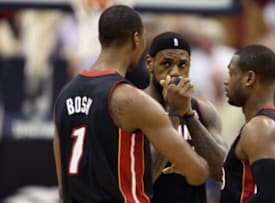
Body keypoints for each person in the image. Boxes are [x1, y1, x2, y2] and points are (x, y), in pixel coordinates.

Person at [53, 6, 209, 203]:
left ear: (101, 39)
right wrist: (176, 113)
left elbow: (62, 187)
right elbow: (198, 173)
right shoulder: (129, 98)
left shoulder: (65, 95)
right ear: (137, 39)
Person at [220, 44, 275, 203]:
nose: (226, 81)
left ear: (249, 78)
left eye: (231, 73)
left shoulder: (259, 128)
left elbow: (271, 197)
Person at [144, 32, 227, 203]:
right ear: (149, 64)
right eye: (166, 63)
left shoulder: (203, 111)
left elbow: (222, 173)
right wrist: (174, 113)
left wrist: (188, 114)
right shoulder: (135, 106)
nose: (175, 72)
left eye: (182, 65)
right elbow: (144, 179)